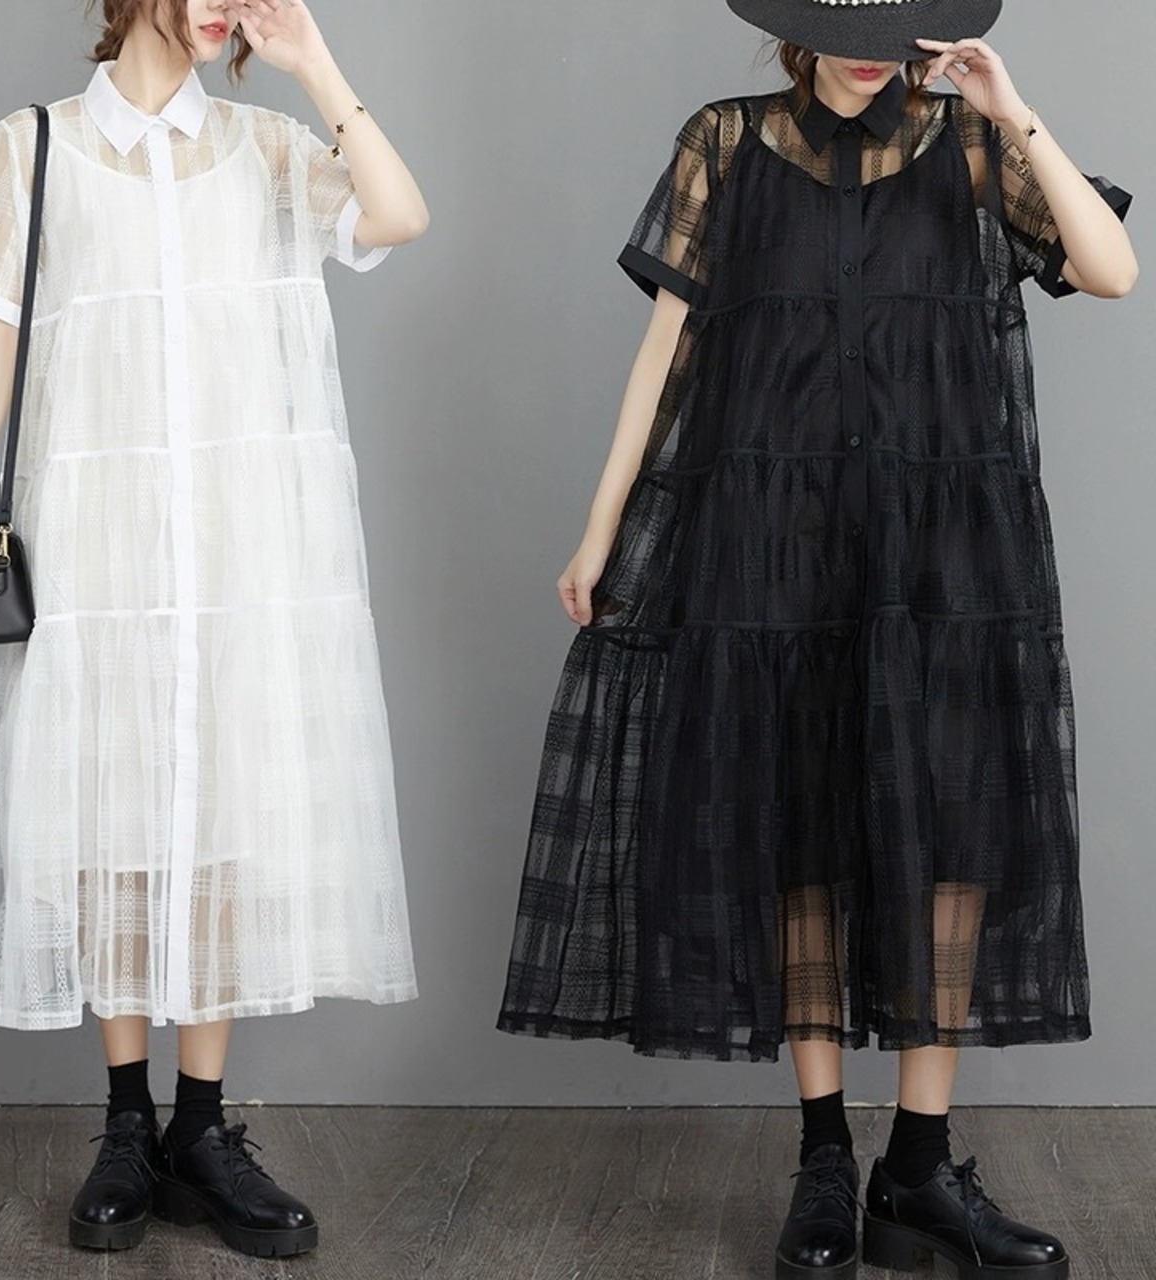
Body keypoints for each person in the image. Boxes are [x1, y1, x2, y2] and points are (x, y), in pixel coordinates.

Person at [497, 1, 1135, 1276]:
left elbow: (1109, 269)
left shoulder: (969, 142)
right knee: (799, 837)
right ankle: (825, 1160)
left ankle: (919, 1165)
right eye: (841, 13)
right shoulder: (724, 141)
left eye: (894, 18)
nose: (866, 42)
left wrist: (1012, 110)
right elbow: (664, 351)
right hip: (772, 541)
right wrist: (600, 527)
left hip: (941, 551)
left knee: (948, 838)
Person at [0, 0, 427, 1258]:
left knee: (220, 822)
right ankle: (126, 1123)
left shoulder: (263, 150)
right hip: (96, 545)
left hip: (240, 554)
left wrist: (314, 64)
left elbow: (397, 215)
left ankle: (202, 1126)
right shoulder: (35, 144)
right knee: (107, 821)